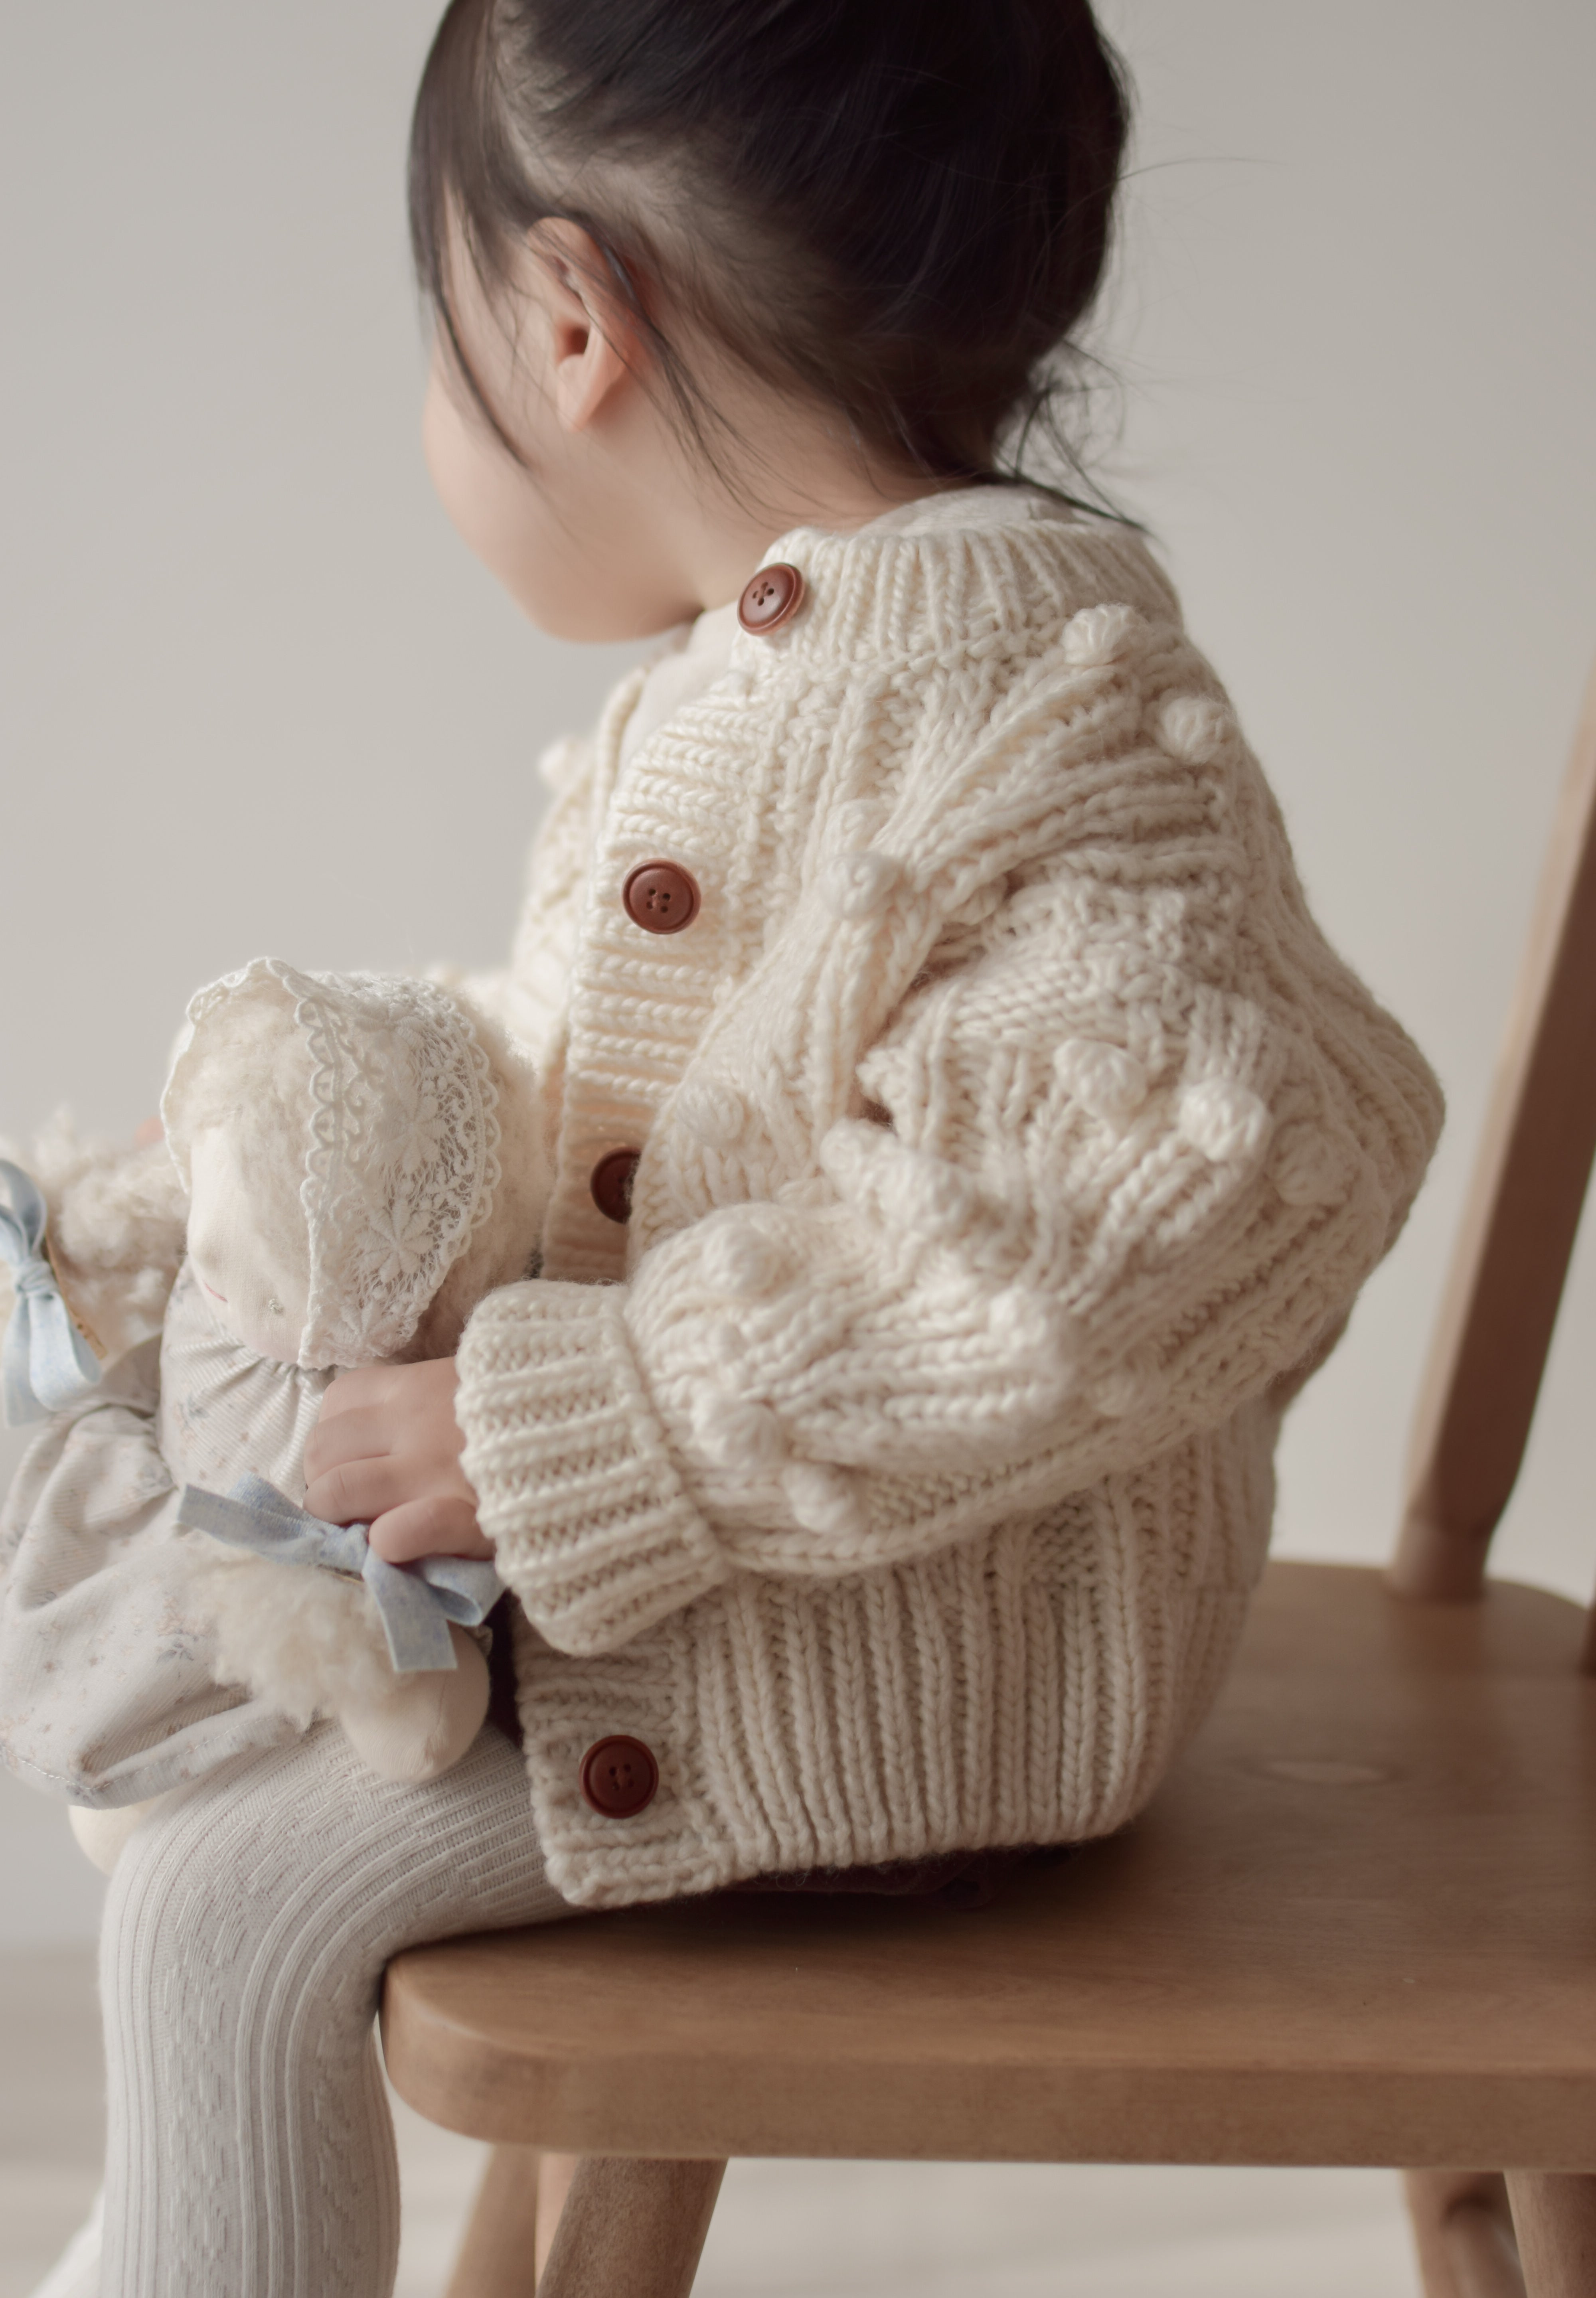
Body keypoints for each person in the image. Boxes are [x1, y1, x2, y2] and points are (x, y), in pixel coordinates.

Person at [16, 2, 1442, 2291]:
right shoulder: (755, 678)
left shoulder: (1051, 717)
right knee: (177, 1749)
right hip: (748, 1578)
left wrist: (622, 1419)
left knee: (222, 1906)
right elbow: (616, 1108)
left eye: (439, 333)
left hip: (901, 1666)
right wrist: (233, 1206)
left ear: (569, 320)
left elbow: (1203, 1171)